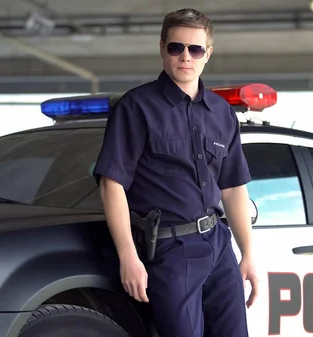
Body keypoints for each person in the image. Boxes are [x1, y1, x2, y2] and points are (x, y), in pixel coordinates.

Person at [93, 8, 259, 337]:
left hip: (219, 246)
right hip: (171, 251)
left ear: (207, 54)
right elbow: (112, 184)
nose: (186, 56)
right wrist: (128, 256)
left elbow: (234, 188)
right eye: (176, 47)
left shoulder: (222, 113)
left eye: (195, 49)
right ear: (162, 47)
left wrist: (249, 254)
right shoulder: (136, 107)